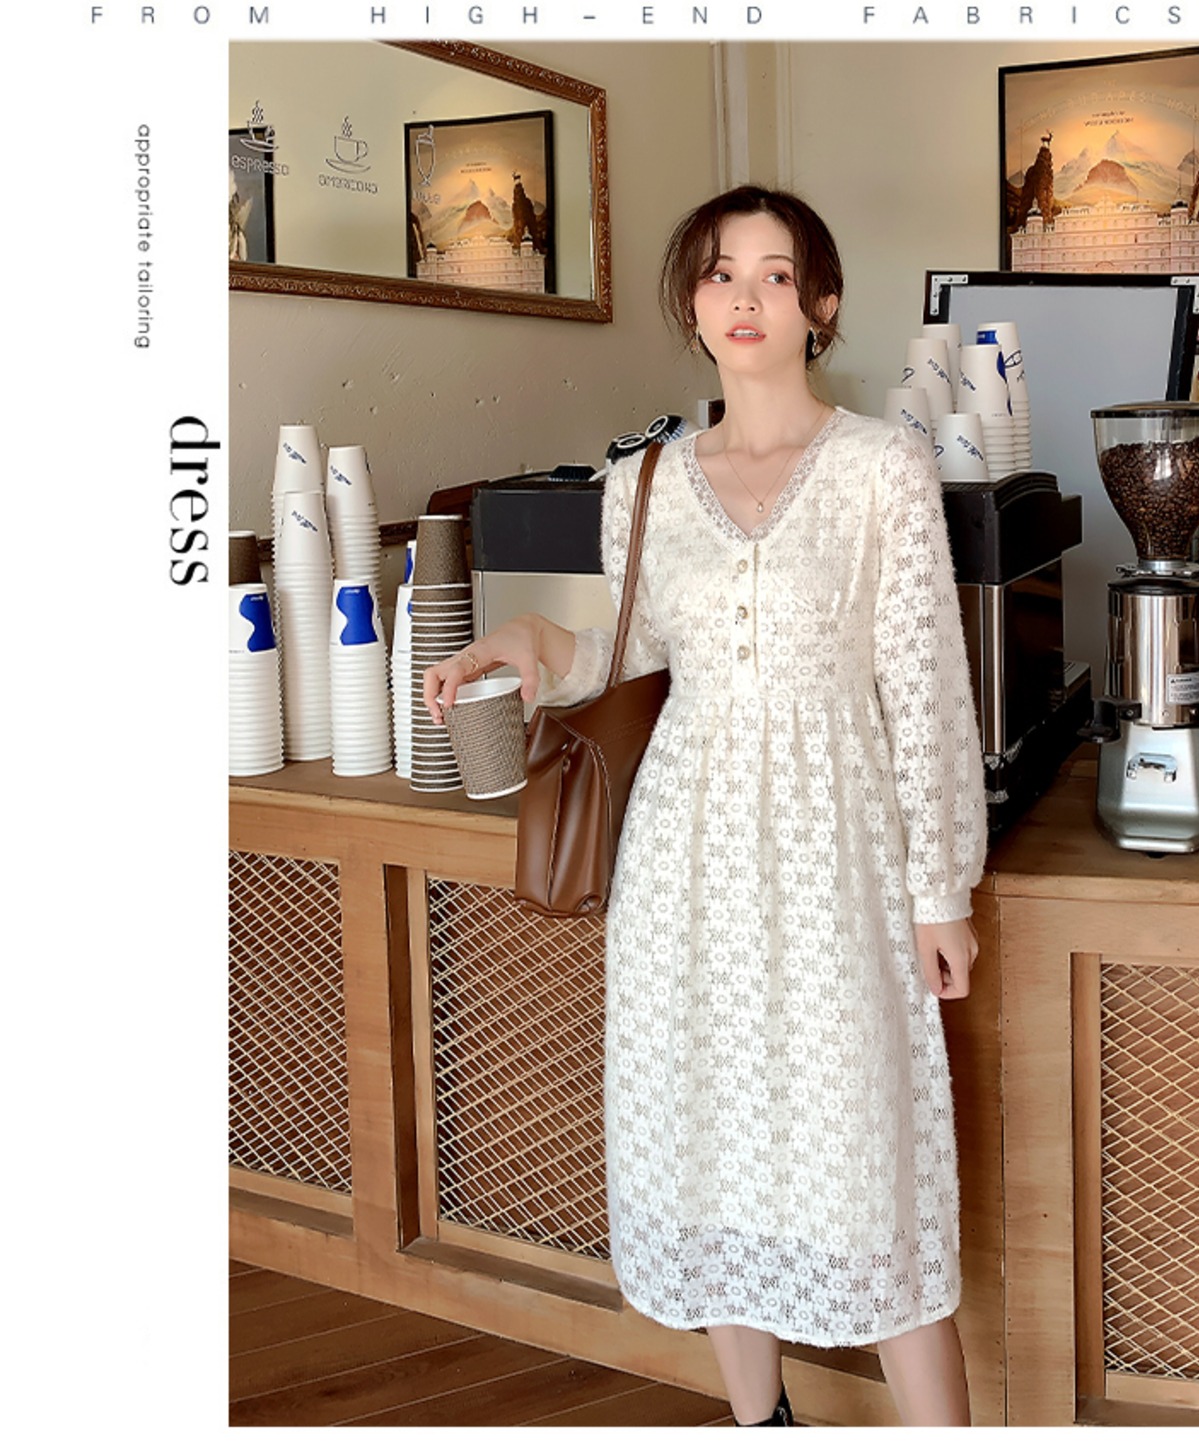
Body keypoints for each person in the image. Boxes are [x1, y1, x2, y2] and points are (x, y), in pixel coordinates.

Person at [423, 185, 987, 1428]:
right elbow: (629, 656)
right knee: (709, 1141)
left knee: (863, 1157)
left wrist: (938, 890)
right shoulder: (640, 483)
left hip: (835, 848)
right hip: (684, 853)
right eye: (720, 272)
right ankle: (759, 1418)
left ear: (819, 305)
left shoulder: (880, 466)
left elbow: (925, 691)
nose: (744, 295)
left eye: (775, 274)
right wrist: (527, 641)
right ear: (692, 301)